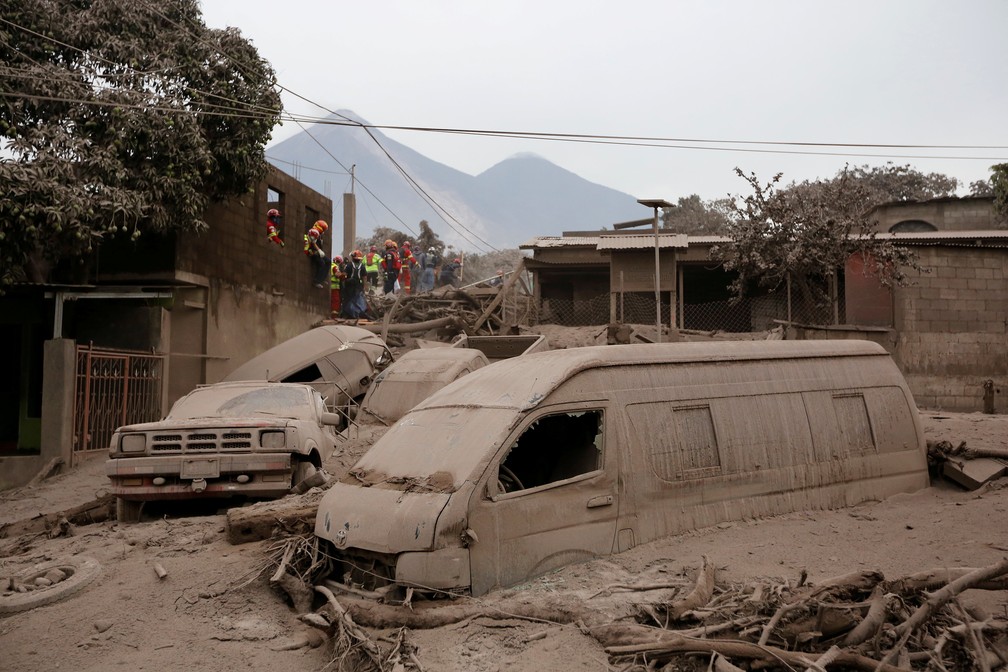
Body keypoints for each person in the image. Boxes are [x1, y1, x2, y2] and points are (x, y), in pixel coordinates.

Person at [341, 250, 368, 318]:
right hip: (358, 285)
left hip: (349, 285)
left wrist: (342, 281)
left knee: (347, 299)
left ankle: (347, 314)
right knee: (357, 299)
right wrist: (365, 286)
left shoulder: (349, 265)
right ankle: (357, 313)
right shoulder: (362, 266)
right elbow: (364, 277)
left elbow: (344, 274)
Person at [303, 220, 329, 288]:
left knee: (328, 261)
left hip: (317, 252)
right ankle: (316, 281)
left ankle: (322, 278)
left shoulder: (319, 234)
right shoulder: (313, 232)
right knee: (322, 263)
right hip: (312, 251)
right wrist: (319, 250)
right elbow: (313, 242)